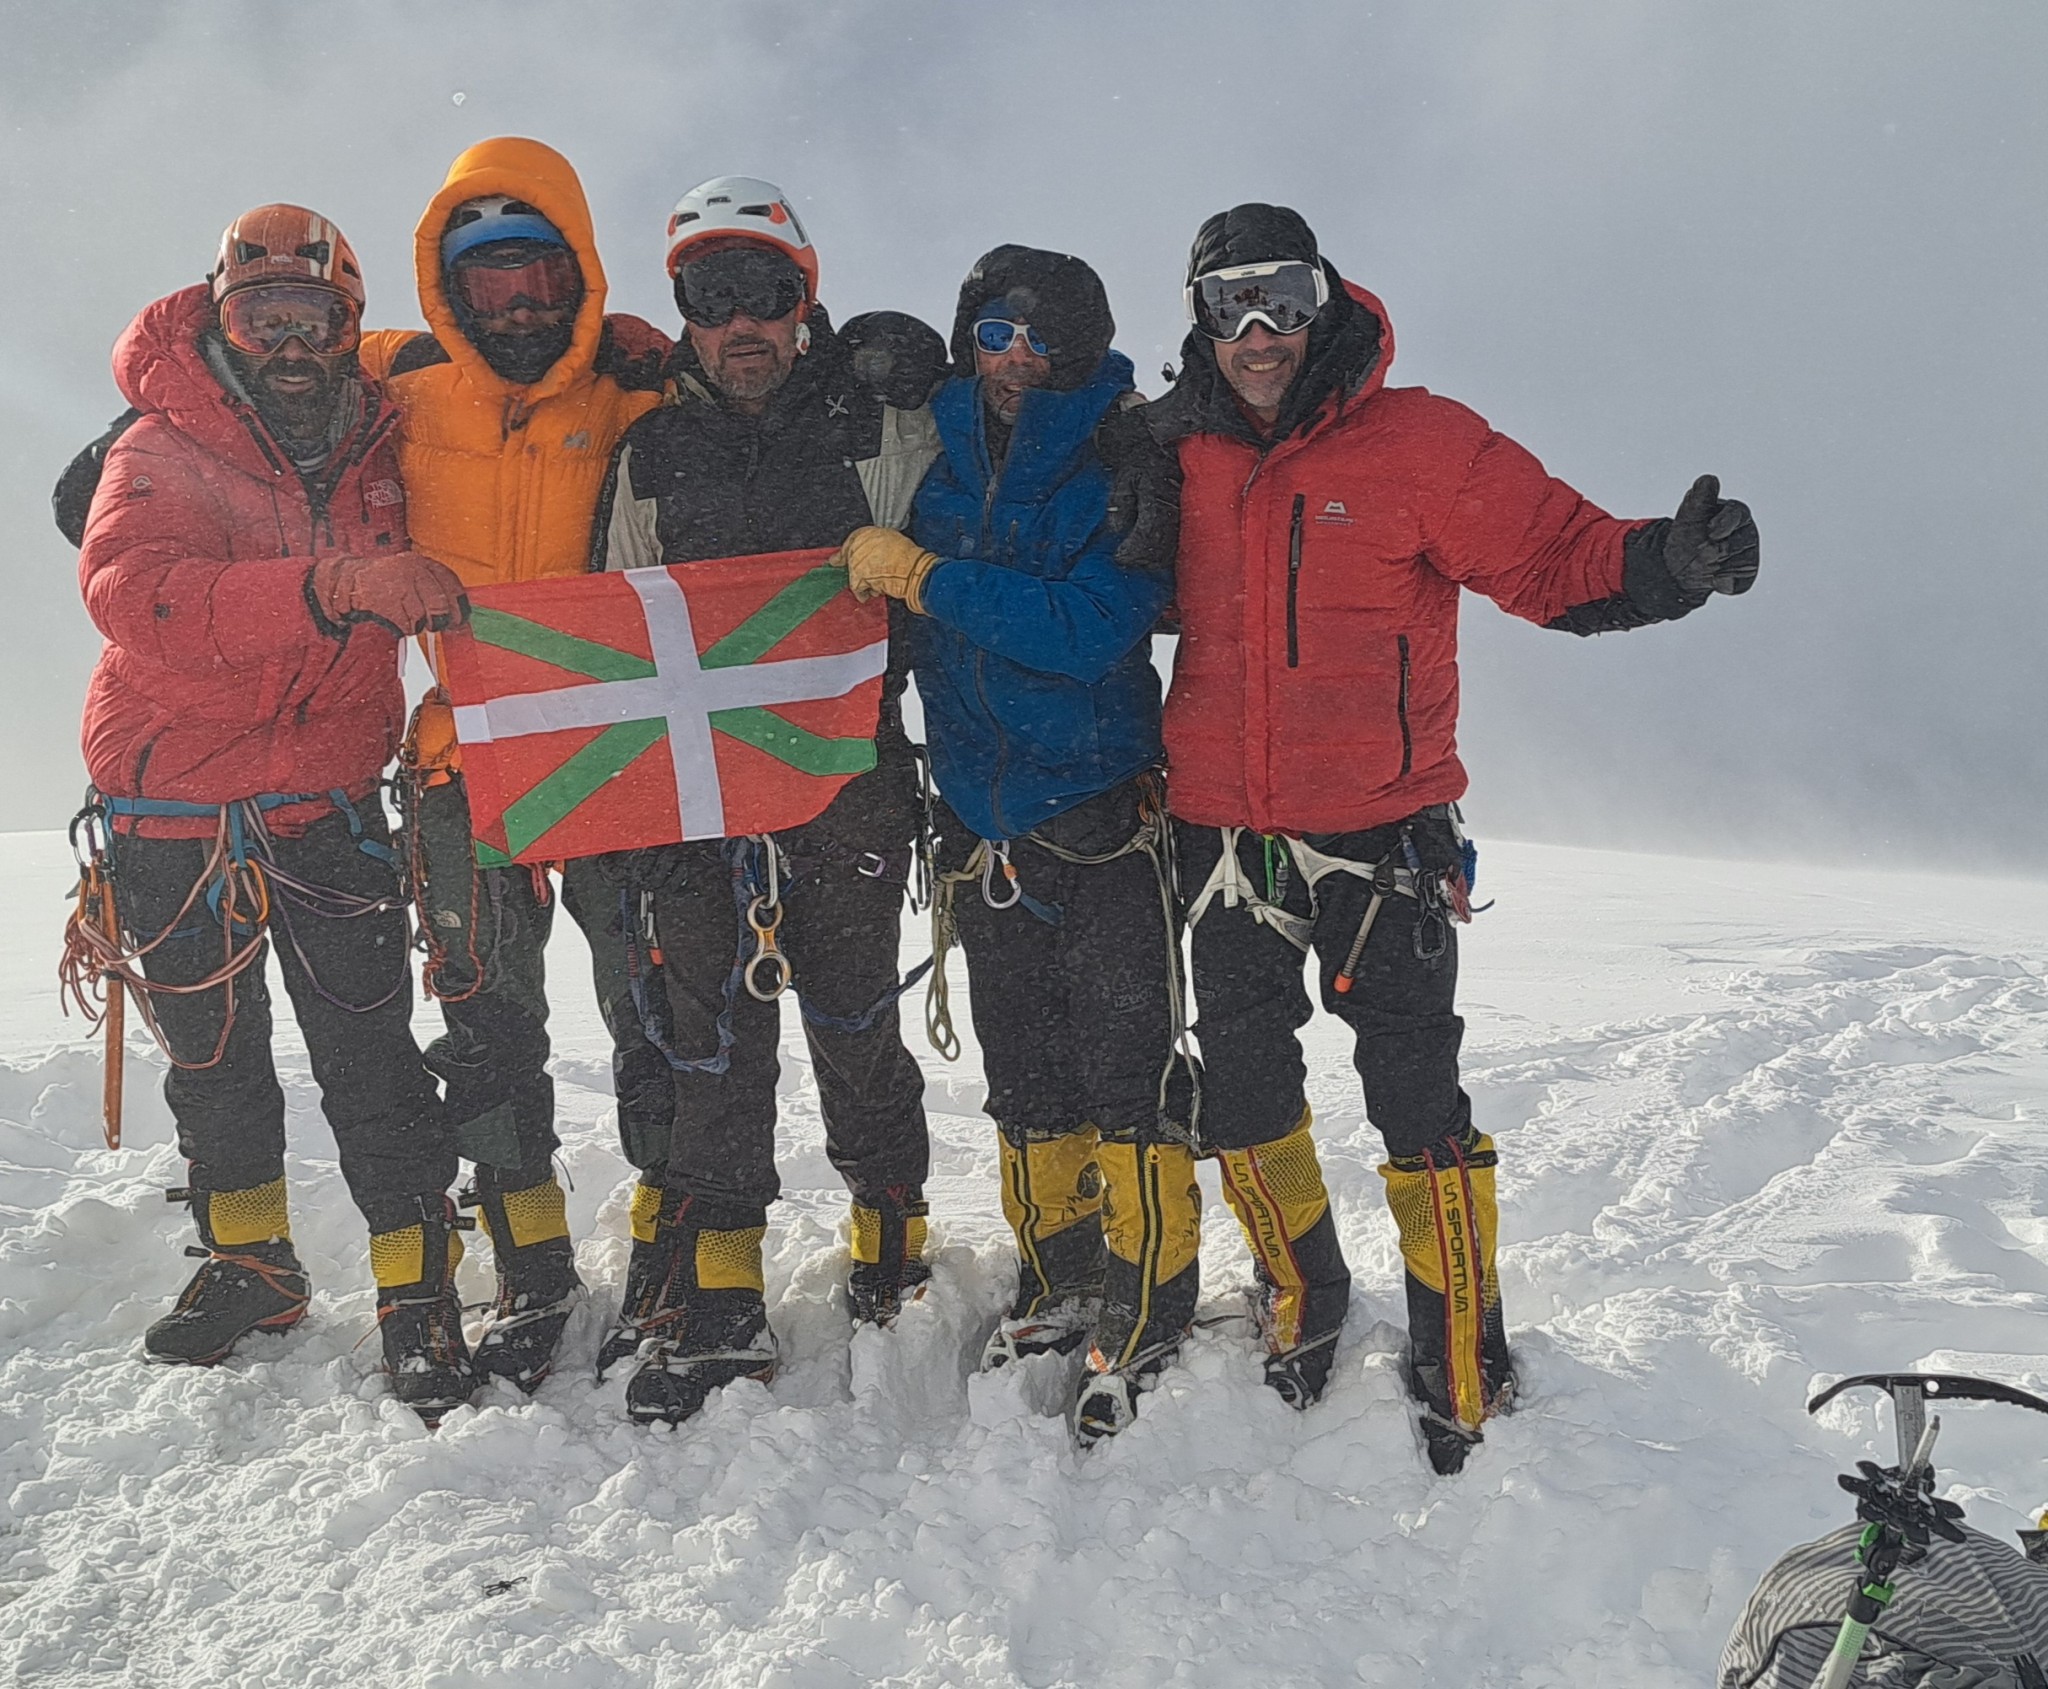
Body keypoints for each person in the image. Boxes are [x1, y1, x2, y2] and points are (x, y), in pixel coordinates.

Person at [1147, 203, 1760, 1472]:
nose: (1257, 331)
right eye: (1227, 305)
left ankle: (1456, 1326)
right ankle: (1301, 1292)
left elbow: (1554, 558)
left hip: (1381, 838)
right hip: (1215, 836)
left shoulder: (1420, 442)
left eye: (1281, 296)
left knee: (1415, 1096)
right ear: (1198, 321)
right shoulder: (1172, 451)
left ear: (1325, 298)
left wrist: (1667, 565)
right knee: (1244, 1086)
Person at [74, 204, 474, 1418]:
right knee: (213, 1060)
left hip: (319, 800)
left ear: (351, 328)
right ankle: (249, 1261)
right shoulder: (156, 446)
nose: (291, 343)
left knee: (370, 1055)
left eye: (317, 318)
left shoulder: (392, 433)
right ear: (220, 318)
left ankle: (415, 1284)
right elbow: (135, 593)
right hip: (171, 805)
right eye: (264, 317)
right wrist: (335, 585)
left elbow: (517, 394)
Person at [590, 177, 951, 1426]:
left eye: (769, 294)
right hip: (695, 805)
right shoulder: (648, 449)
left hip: (848, 789)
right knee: (713, 1044)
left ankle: (891, 1230)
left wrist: (934, 358)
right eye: (710, 296)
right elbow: (610, 622)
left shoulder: (885, 423)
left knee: (855, 1027)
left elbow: (1013, 449)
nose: (742, 323)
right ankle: (722, 1287)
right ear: (679, 312)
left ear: (806, 299)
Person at [835, 245, 1194, 1444]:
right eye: (994, 332)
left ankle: (1151, 1292)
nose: (1016, 362)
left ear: (1086, 353)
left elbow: (1094, 629)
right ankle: (1058, 1276)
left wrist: (928, 581)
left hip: (1099, 822)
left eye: (1045, 341)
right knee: (1026, 1075)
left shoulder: (1119, 458)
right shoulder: (937, 449)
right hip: (980, 828)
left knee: (1126, 1073)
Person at [353, 137, 675, 1391]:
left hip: (613, 749)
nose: (518, 306)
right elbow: (245, 385)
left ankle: (668, 1235)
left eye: (540, 275)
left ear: (579, 271)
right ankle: (530, 1261)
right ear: (444, 286)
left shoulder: (638, 388)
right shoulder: (397, 382)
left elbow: (770, 402)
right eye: (485, 283)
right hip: (463, 754)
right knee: (487, 1023)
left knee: (651, 1003)